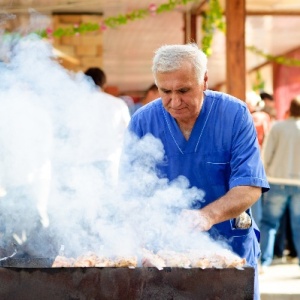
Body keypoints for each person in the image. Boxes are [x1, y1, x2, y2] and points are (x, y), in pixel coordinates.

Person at [126, 43, 269, 300]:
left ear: (204, 81)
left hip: (230, 245)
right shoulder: (142, 121)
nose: (174, 101)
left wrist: (206, 216)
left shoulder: (234, 115)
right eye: (165, 91)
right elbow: (131, 193)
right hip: (166, 250)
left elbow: (250, 185)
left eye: (183, 90)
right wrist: (137, 244)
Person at [260, 96, 300, 268]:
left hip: (276, 181)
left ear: (289, 109)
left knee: (269, 223)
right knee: (298, 225)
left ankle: (264, 262)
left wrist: (264, 176)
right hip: (299, 183)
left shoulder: (278, 127)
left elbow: (265, 155)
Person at [84, 67, 130, 183]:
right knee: (108, 199)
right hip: (110, 160)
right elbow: (129, 133)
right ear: (104, 84)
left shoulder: (77, 105)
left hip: (83, 161)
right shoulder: (118, 104)